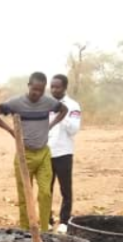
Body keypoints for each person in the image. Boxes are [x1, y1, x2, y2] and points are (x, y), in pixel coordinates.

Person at [0, 72, 68, 231]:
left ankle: (45, 231)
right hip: (24, 156)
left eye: (41, 90)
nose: (37, 93)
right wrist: (10, 130)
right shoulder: (15, 103)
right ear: (28, 86)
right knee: (25, 195)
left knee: (45, 193)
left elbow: (63, 110)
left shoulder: (48, 102)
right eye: (34, 89)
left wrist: (51, 125)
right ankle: (26, 231)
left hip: (44, 153)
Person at [48, 74, 81, 233]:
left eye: (57, 87)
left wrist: (61, 114)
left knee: (65, 189)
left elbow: (74, 130)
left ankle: (64, 221)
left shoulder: (73, 106)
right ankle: (47, 219)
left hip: (63, 152)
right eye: (52, 86)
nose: (54, 90)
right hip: (46, 152)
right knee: (45, 189)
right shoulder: (44, 104)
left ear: (64, 88)